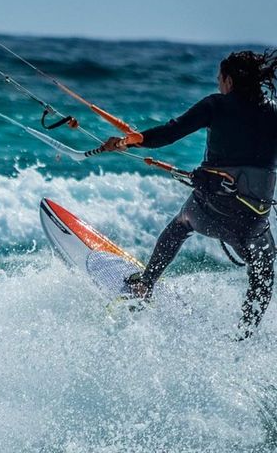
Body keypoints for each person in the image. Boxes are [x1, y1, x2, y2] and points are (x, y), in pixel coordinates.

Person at [102, 50, 277, 339]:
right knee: (264, 271)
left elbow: (169, 133)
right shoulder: (273, 112)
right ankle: (244, 337)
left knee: (181, 224)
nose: (219, 83)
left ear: (229, 81)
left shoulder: (215, 105)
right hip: (252, 224)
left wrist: (128, 142)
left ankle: (145, 284)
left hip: (211, 210)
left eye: (220, 79)